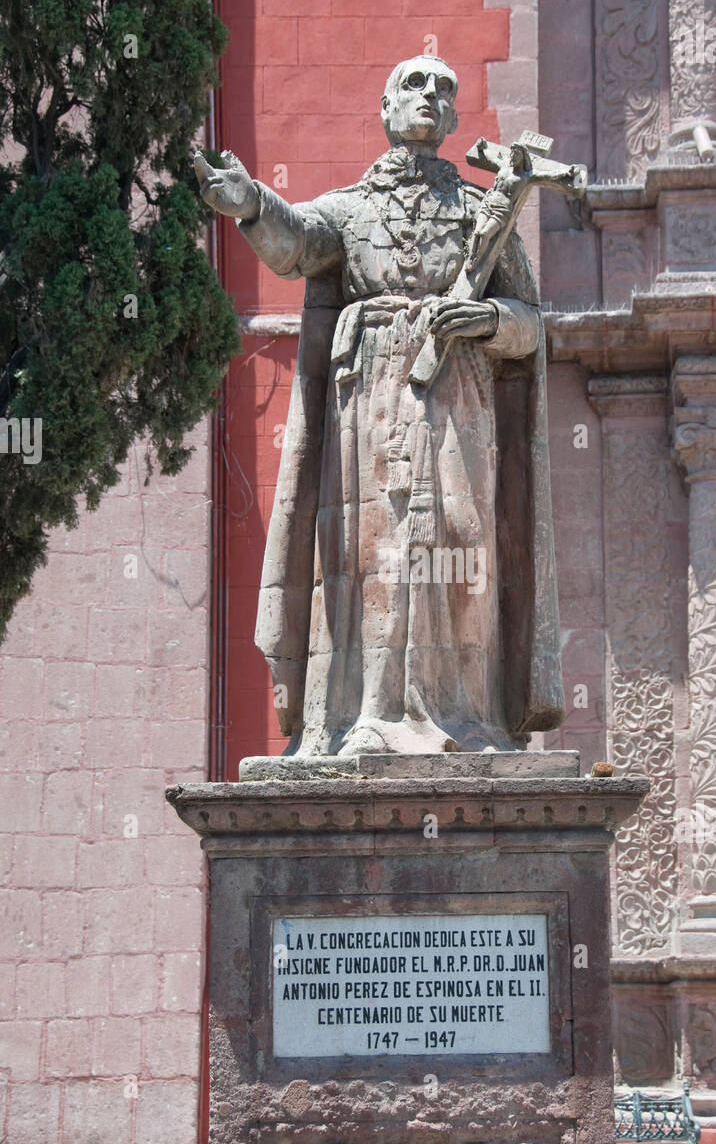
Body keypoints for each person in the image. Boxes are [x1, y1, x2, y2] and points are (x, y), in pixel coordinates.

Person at [195, 55, 563, 756]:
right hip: (367, 397)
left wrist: (486, 320)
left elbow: (530, 327)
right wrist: (248, 202)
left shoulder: (481, 212)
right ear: (386, 110)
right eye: (413, 85)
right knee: (372, 549)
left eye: (444, 89)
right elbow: (295, 243)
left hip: (460, 396)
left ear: (454, 119)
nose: (429, 96)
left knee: (457, 537)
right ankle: (365, 716)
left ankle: (466, 717)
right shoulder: (352, 206)